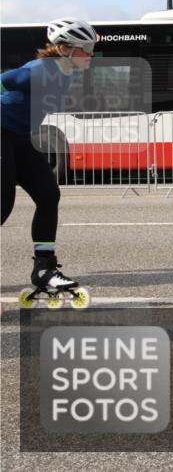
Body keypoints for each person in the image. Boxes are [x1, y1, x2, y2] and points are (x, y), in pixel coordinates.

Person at [1, 17, 98, 298]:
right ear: (66, 48)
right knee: (2, 203)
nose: (91, 54)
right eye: (86, 48)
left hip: (20, 136)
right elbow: (4, 81)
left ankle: (44, 269)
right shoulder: (42, 70)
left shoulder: (67, 72)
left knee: (48, 194)